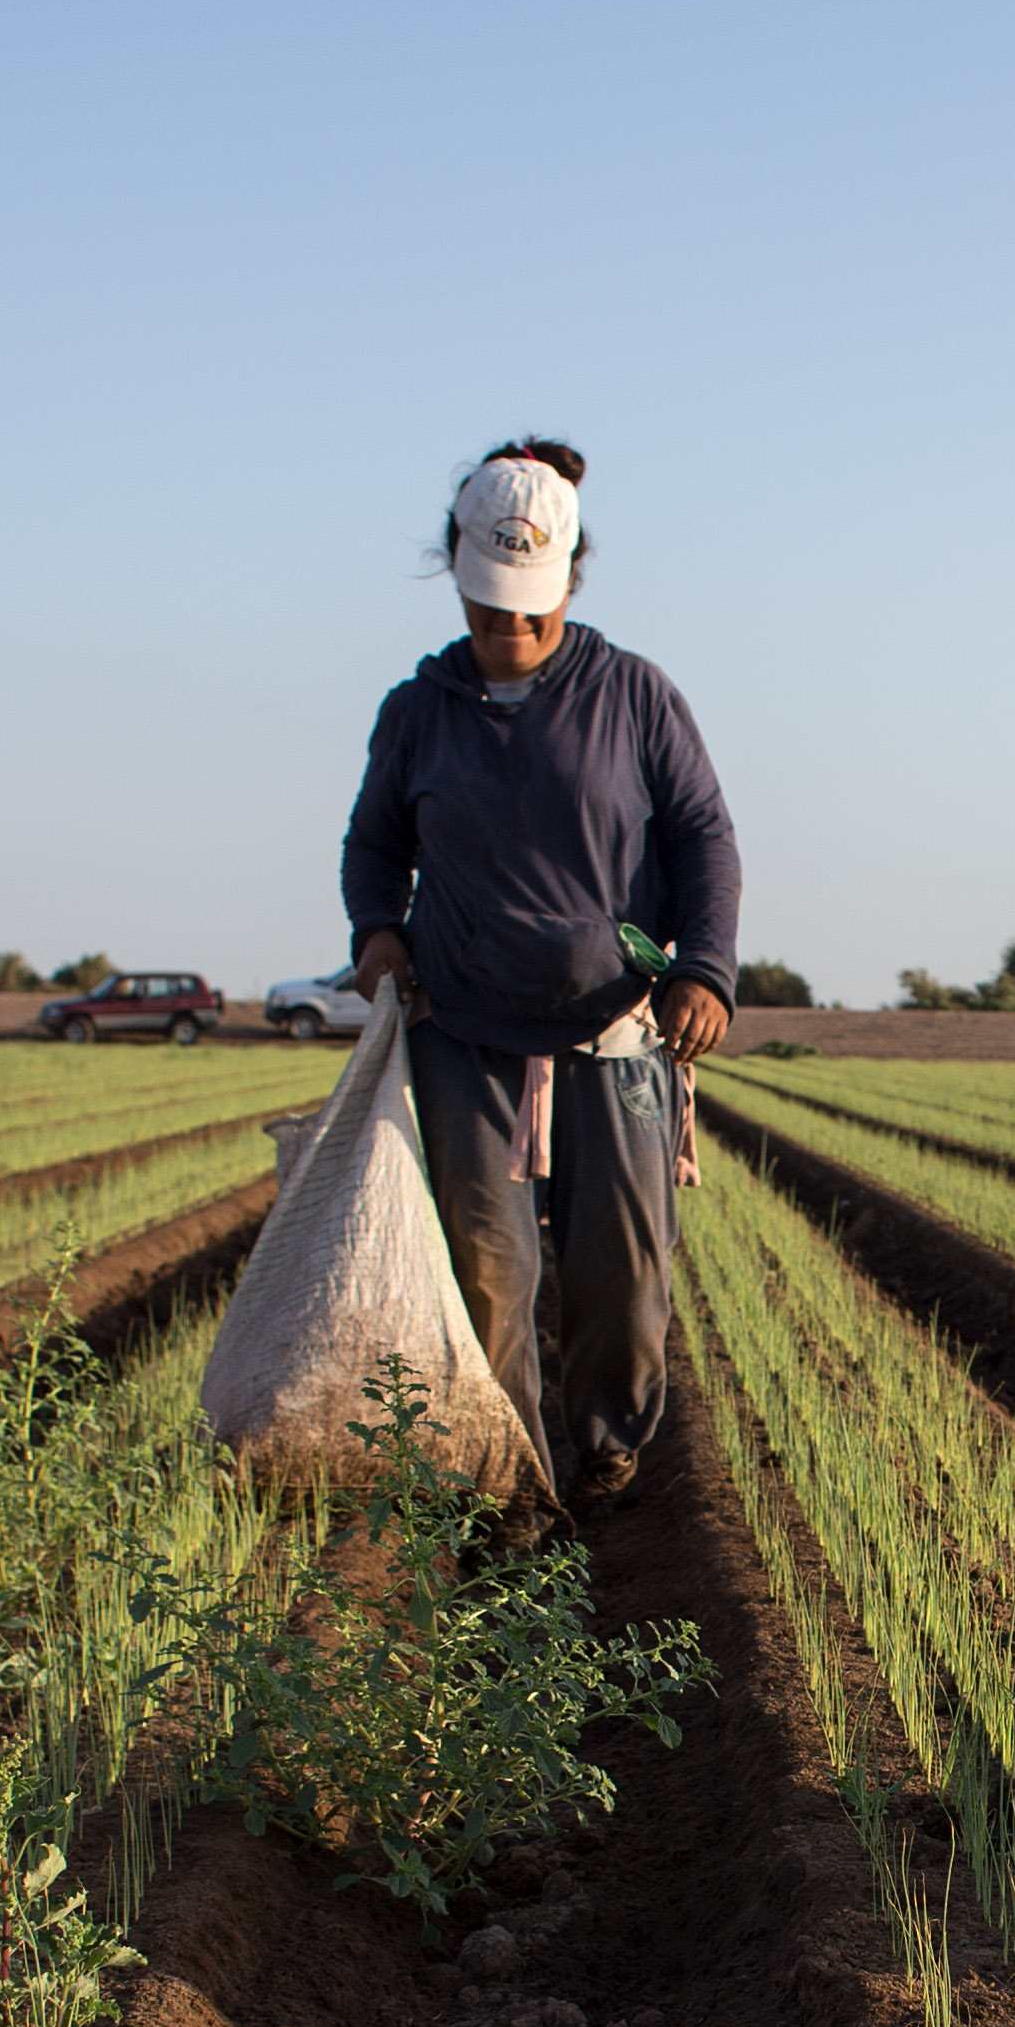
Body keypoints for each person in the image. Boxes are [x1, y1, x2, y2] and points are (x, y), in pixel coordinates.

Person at [336, 439, 741, 1504]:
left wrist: (704, 968)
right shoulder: (417, 711)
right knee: (490, 1273)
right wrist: (377, 931)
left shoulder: (635, 697)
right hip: (464, 1028)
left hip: (612, 1032)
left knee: (623, 1277)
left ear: (569, 579)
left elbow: (704, 838)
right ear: (457, 573)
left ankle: (605, 1449)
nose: (512, 631)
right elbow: (374, 845)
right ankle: (509, 1486)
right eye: (491, 608)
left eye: (533, 609)